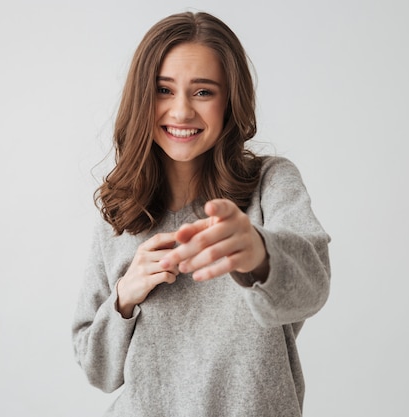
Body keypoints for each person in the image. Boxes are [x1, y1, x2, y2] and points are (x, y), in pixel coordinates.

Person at [72, 11, 331, 417]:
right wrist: (124, 297)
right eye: (163, 89)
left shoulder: (269, 183)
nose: (180, 112)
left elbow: (313, 285)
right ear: (143, 98)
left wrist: (257, 253)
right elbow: (98, 371)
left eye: (203, 92)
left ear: (230, 101)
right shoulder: (122, 209)